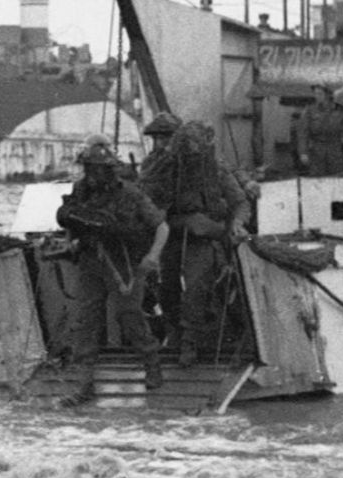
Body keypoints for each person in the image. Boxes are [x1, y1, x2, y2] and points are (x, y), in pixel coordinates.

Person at [54, 141, 168, 404]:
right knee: (87, 319)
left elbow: (161, 227)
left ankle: (152, 364)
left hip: (125, 262)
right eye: (88, 168)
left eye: (96, 168)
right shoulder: (81, 190)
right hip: (91, 261)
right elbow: (73, 219)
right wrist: (71, 240)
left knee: (129, 315)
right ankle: (84, 384)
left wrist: (152, 257)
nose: (90, 174)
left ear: (108, 169)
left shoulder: (130, 194)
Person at [142, 120, 249, 365]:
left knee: (196, 288)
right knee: (166, 288)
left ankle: (189, 342)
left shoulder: (215, 169)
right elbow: (147, 201)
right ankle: (174, 335)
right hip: (170, 235)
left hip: (202, 238)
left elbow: (240, 202)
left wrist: (237, 224)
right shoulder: (164, 167)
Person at [295, 84, 343, 176]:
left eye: (320, 94)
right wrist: (303, 152)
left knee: (337, 177)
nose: (317, 96)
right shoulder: (310, 111)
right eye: (315, 93)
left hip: (335, 148)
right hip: (317, 149)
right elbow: (303, 133)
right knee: (317, 178)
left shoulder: (339, 110)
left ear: (328, 95)